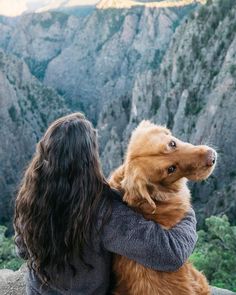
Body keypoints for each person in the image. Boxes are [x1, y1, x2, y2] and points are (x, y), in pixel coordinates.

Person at [14, 112, 197, 295]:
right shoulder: (103, 211)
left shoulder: (30, 196)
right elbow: (171, 254)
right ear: (90, 161)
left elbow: (22, 250)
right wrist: (185, 211)